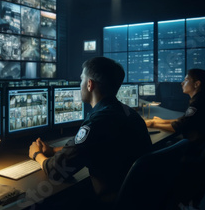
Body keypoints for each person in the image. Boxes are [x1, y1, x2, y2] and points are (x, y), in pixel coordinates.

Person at [29, 57, 152, 206]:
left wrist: (37, 154)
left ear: (89, 84)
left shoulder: (97, 122)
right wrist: (54, 150)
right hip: (140, 199)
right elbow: (96, 146)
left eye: (81, 79)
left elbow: (57, 171)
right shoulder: (129, 113)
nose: (80, 85)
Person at [145, 68, 205, 154]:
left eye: (186, 80)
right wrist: (161, 121)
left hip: (194, 149)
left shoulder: (197, 104)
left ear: (197, 84)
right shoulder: (203, 99)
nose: (182, 83)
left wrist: (153, 124)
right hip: (201, 145)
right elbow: (184, 120)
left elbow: (178, 127)